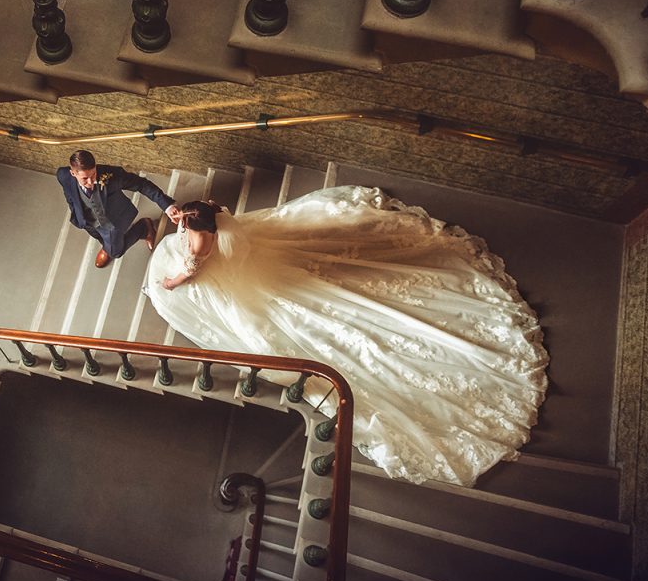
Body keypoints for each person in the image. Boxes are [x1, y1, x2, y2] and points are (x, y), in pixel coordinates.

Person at [144, 189, 549, 487]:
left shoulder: (199, 242)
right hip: (250, 262)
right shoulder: (213, 212)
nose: (180, 225)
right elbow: (214, 217)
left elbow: (191, 270)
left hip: (238, 282)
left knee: (289, 327)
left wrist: (171, 279)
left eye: (183, 223)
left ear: (194, 226)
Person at [57, 150, 182, 269]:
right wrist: (74, 208)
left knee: (116, 252)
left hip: (112, 221)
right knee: (99, 236)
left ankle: (144, 228)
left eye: (93, 174)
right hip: (86, 221)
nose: (91, 181)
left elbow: (142, 184)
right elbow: (69, 193)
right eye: (85, 178)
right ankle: (107, 246)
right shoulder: (63, 175)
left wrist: (167, 206)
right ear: (73, 173)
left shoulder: (112, 176)